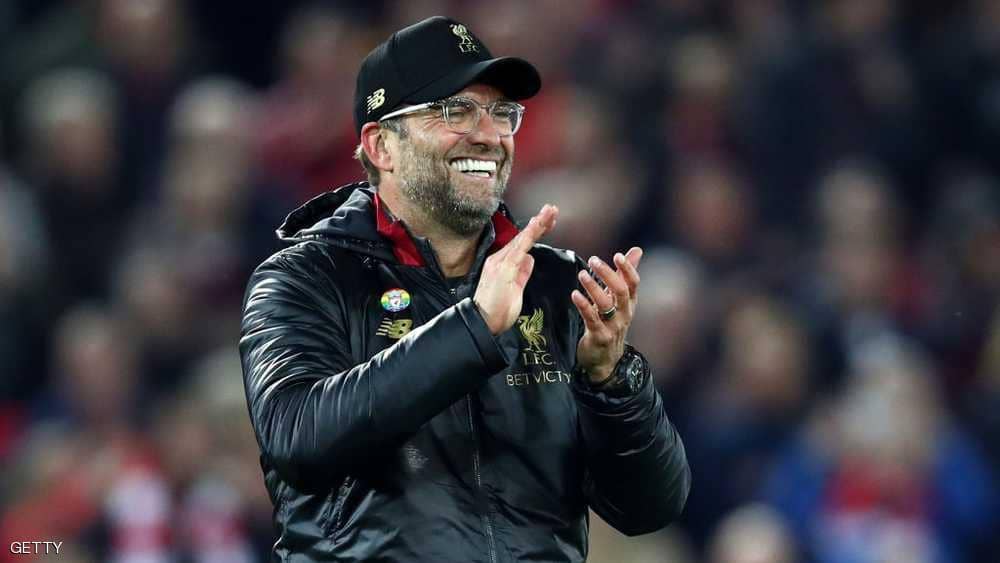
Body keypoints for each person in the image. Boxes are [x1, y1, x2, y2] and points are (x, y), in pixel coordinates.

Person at [239, 16, 690, 562]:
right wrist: (473, 328)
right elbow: (298, 439)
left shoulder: (554, 287)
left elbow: (649, 509)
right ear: (381, 146)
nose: (489, 134)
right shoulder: (304, 278)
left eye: (501, 113)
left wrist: (612, 381)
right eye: (455, 111)